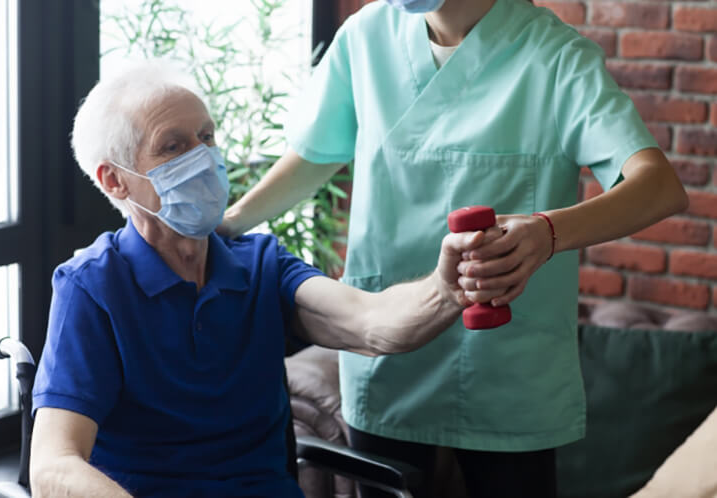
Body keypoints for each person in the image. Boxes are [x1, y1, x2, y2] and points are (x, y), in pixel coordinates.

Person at [218, 0, 690, 496]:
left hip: (507, 368)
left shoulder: (555, 56)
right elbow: (315, 155)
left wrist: (547, 232)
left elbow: (658, 187)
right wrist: (230, 223)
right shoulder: (365, 38)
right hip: (390, 364)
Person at [28, 65, 488, 498]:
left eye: (206, 136)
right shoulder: (92, 287)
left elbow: (371, 323)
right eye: (172, 146)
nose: (203, 157)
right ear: (114, 181)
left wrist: (446, 288)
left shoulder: (261, 264)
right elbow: (54, 465)